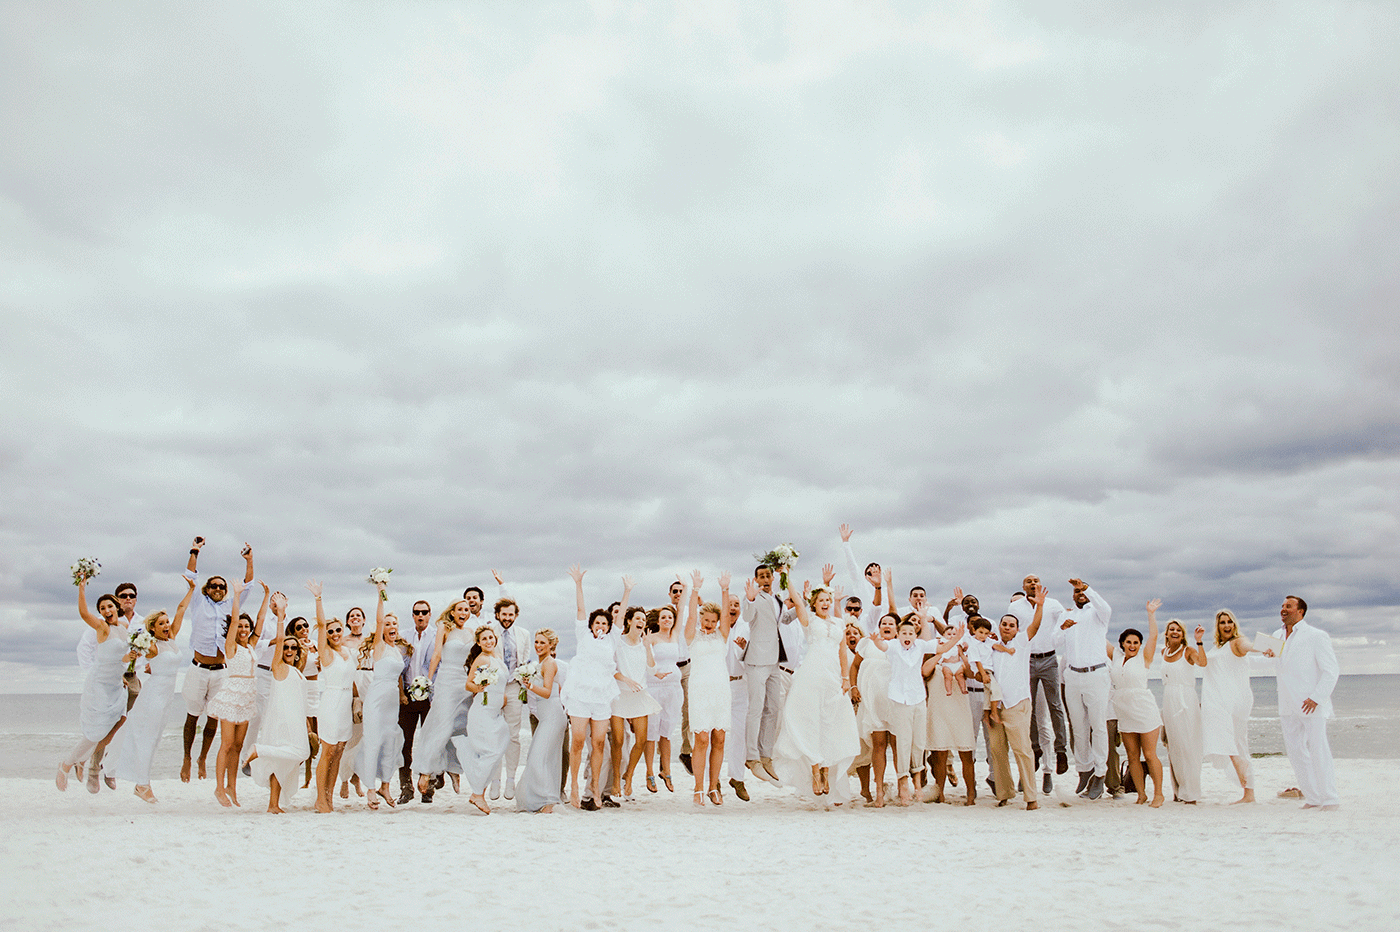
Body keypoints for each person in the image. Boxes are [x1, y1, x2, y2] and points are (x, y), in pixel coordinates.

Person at [769, 578, 860, 801]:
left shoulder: (839, 623)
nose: (826, 603)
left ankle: (827, 771)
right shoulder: (809, 620)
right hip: (811, 676)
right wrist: (787, 575)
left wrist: (846, 678)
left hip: (832, 678)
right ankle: (815, 770)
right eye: (821, 600)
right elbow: (798, 601)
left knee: (831, 723)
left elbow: (841, 652)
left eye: (828, 600)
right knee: (810, 722)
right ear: (815, 603)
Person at [180, 537, 255, 783]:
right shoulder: (198, 601)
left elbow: (248, 584)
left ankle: (203, 758)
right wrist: (195, 550)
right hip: (198, 668)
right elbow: (191, 575)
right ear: (207, 589)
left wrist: (249, 559)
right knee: (192, 715)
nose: (219, 589)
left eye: (222, 587)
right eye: (214, 586)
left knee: (214, 717)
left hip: (221, 670)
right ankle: (187, 758)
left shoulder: (229, 606)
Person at [113, 579, 195, 802]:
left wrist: (191, 589)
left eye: (167, 622)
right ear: (153, 628)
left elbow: (181, 609)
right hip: (154, 696)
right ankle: (142, 785)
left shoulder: (171, 639)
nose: (167, 626)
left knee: (155, 738)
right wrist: (121, 671)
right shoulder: (151, 645)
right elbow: (126, 656)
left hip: (166, 696)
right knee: (148, 738)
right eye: (161, 624)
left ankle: (142, 783)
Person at [57, 582, 140, 791]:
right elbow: (84, 613)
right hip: (100, 684)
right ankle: (66, 764)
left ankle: (81, 760)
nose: (106, 611)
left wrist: (127, 662)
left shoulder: (122, 628)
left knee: (119, 722)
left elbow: (117, 658)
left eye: (109, 606)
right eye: (102, 608)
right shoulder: (102, 627)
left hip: (115, 682)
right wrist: (81, 588)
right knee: (95, 733)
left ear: (117, 607)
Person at [561, 566, 623, 810]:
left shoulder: (612, 639)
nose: (601, 625)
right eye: (597, 622)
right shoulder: (582, 635)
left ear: (608, 626)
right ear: (592, 625)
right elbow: (580, 609)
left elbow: (620, 618)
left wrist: (627, 590)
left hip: (601, 696)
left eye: (604, 623)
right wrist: (578, 584)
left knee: (598, 743)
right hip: (580, 693)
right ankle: (574, 786)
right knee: (577, 741)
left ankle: (595, 786)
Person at [1272, 595, 1340, 810]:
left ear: (1300, 611)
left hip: (1311, 703)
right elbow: (1272, 662)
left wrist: (1317, 698)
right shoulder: (1276, 635)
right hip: (1287, 704)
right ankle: (1313, 797)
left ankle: (1330, 798)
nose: (1284, 609)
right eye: (1283, 606)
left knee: (1319, 750)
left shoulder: (1316, 636)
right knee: (1296, 752)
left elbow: (1331, 671)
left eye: (1289, 606)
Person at [986, 586, 1047, 810]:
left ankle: (1031, 797)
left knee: (1022, 750)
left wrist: (1039, 605)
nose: (1008, 628)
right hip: (995, 704)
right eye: (1004, 624)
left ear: (1017, 629)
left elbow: (1036, 626)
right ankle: (1004, 793)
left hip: (1017, 703)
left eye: (1012, 625)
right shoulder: (991, 646)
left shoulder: (1022, 643)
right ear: (999, 627)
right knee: (997, 751)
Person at [205, 581, 264, 807]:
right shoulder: (231, 646)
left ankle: (232, 786)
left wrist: (267, 595)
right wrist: (237, 596)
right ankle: (219, 788)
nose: (243, 630)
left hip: (247, 697)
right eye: (239, 626)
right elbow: (235, 620)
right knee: (227, 744)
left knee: (239, 747)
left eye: (245, 627)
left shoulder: (250, 645)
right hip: (231, 695)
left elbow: (259, 622)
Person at [1006, 574, 1069, 781]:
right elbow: (1012, 630)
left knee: (1055, 705)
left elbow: (1065, 622)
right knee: (1029, 707)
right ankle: (1035, 749)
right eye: (1028, 582)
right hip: (1026, 660)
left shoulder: (1053, 604)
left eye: (1036, 581)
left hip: (1049, 658)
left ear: (1041, 584)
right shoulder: (1016, 608)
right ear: (1023, 586)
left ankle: (1061, 751)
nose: (1033, 584)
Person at [1197, 608, 1263, 804]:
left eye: (1229, 622)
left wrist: (1262, 649)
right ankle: (1248, 792)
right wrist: (1199, 641)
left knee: (1236, 741)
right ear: (1217, 627)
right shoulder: (1218, 647)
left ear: (1234, 624)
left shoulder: (1236, 642)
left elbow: (1248, 646)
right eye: (1222, 622)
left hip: (1233, 700)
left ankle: (1239, 766)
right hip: (1219, 699)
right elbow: (1204, 664)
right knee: (1235, 740)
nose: (1226, 625)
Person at [411, 599, 474, 801]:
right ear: (453, 612)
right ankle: (426, 771)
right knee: (442, 727)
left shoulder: (472, 633)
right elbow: (437, 654)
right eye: (460, 609)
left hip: (464, 683)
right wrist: (429, 681)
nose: (463, 612)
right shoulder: (443, 628)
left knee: (461, 727)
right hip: (446, 681)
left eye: (466, 609)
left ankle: (454, 769)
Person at [1057, 578, 1114, 799]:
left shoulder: (1098, 613)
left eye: (1082, 590)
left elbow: (1105, 606)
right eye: (1076, 591)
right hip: (1072, 675)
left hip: (1096, 674)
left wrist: (1088, 588)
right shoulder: (1067, 614)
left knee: (1098, 726)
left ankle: (1100, 773)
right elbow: (1054, 640)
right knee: (1078, 727)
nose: (1079, 593)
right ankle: (1084, 769)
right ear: (1072, 595)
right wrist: (1062, 628)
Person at [741, 564, 798, 786]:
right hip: (756, 660)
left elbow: (785, 619)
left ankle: (766, 756)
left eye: (768, 575)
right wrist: (750, 599)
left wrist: (805, 603)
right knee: (755, 708)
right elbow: (747, 617)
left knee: (774, 708)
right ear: (756, 579)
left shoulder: (777, 599)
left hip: (775, 661)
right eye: (761, 576)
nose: (765, 579)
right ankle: (752, 757)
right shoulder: (753, 598)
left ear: (773, 577)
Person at [248, 613, 309, 813]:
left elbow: (301, 701)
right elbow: (281, 639)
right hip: (283, 719)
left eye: (293, 647)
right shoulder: (279, 667)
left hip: (296, 720)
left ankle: (273, 805)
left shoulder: (297, 671)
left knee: (281, 762)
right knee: (302, 752)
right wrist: (281, 617)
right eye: (286, 647)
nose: (289, 650)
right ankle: (259, 750)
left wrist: (307, 725)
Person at [682, 570, 734, 806]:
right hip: (700, 690)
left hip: (720, 690)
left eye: (714, 621)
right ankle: (698, 788)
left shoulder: (722, 636)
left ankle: (714, 787)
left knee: (719, 738)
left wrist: (725, 589)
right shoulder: (692, 636)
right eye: (707, 620)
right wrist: (695, 590)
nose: (710, 624)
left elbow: (725, 619)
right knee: (701, 738)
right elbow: (690, 615)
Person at [354, 580, 406, 809]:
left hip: (392, 701)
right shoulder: (380, 647)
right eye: (387, 624)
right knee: (373, 742)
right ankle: (370, 790)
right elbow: (378, 619)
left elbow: (399, 678)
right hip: (376, 699)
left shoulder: (397, 650)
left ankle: (385, 785)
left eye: (394, 623)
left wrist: (403, 695)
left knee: (390, 741)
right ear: (381, 628)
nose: (391, 626)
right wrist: (381, 593)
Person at [306, 581, 356, 813]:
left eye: (338, 630)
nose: (335, 634)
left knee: (339, 751)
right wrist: (318, 599)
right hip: (331, 702)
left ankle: (329, 797)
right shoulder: (325, 652)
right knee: (327, 750)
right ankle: (320, 799)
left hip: (346, 704)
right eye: (331, 630)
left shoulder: (347, 651)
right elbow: (319, 622)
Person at [1110, 601, 1165, 807]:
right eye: (1129, 642)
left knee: (1150, 754)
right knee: (1132, 755)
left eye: (1136, 642)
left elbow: (1154, 637)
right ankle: (1141, 794)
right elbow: (1098, 637)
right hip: (1123, 710)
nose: (1132, 646)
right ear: (1122, 643)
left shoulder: (1145, 657)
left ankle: (1158, 794)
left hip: (1144, 709)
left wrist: (1151, 614)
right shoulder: (1115, 656)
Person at [486, 584, 530, 800]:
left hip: (514, 687)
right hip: (494, 688)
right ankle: (495, 780)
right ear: (497, 615)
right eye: (504, 614)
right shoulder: (489, 632)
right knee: (494, 736)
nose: (507, 617)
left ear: (515, 615)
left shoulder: (524, 634)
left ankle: (511, 779)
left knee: (513, 736)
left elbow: (526, 662)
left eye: (511, 614)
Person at [611, 606, 660, 800]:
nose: (641, 622)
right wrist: (626, 680)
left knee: (641, 740)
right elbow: (611, 669)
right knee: (618, 741)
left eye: (643, 619)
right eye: (638, 618)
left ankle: (628, 776)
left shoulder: (644, 644)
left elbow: (652, 671)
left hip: (640, 696)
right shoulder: (619, 643)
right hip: (620, 695)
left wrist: (647, 646)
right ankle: (616, 779)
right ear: (629, 621)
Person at [517, 628, 566, 813]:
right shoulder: (539, 663)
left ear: (551, 645)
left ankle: (548, 800)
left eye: (542, 643)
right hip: (545, 717)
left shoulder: (550, 663)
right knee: (545, 759)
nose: (538, 646)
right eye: (536, 642)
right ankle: (545, 800)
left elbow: (546, 692)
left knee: (539, 759)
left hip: (553, 716)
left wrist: (530, 686)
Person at [462, 625, 508, 814]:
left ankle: (479, 791)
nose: (489, 641)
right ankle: (477, 793)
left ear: (495, 639)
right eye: (484, 639)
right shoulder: (482, 658)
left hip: (495, 712)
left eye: (491, 638)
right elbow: (468, 684)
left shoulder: (497, 657)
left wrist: (502, 699)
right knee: (490, 751)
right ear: (479, 643)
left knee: (498, 748)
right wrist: (480, 688)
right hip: (482, 711)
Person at [1159, 616, 1204, 803]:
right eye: (1171, 629)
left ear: (1183, 634)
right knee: (1173, 746)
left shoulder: (1189, 650)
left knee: (1188, 746)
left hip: (1186, 699)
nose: (1175, 632)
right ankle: (1178, 791)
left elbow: (1202, 663)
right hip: (1168, 699)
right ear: (1167, 633)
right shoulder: (1163, 651)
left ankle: (1191, 792)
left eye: (1178, 629)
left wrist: (1199, 641)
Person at [396, 599, 435, 804]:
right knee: (404, 743)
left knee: (429, 741)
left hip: (429, 696)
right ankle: (406, 787)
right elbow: (399, 667)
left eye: (424, 612)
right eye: (416, 612)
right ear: (412, 615)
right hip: (408, 695)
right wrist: (401, 693)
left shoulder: (437, 636)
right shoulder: (403, 635)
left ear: (430, 614)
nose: (420, 615)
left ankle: (427, 788)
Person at [644, 602, 684, 793]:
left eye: (670, 617)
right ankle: (650, 771)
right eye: (663, 617)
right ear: (658, 621)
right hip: (655, 687)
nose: (667, 620)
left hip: (673, 689)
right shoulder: (650, 638)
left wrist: (686, 588)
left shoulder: (674, 636)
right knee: (651, 732)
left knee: (666, 733)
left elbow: (682, 611)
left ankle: (666, 770)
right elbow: (647, 661)